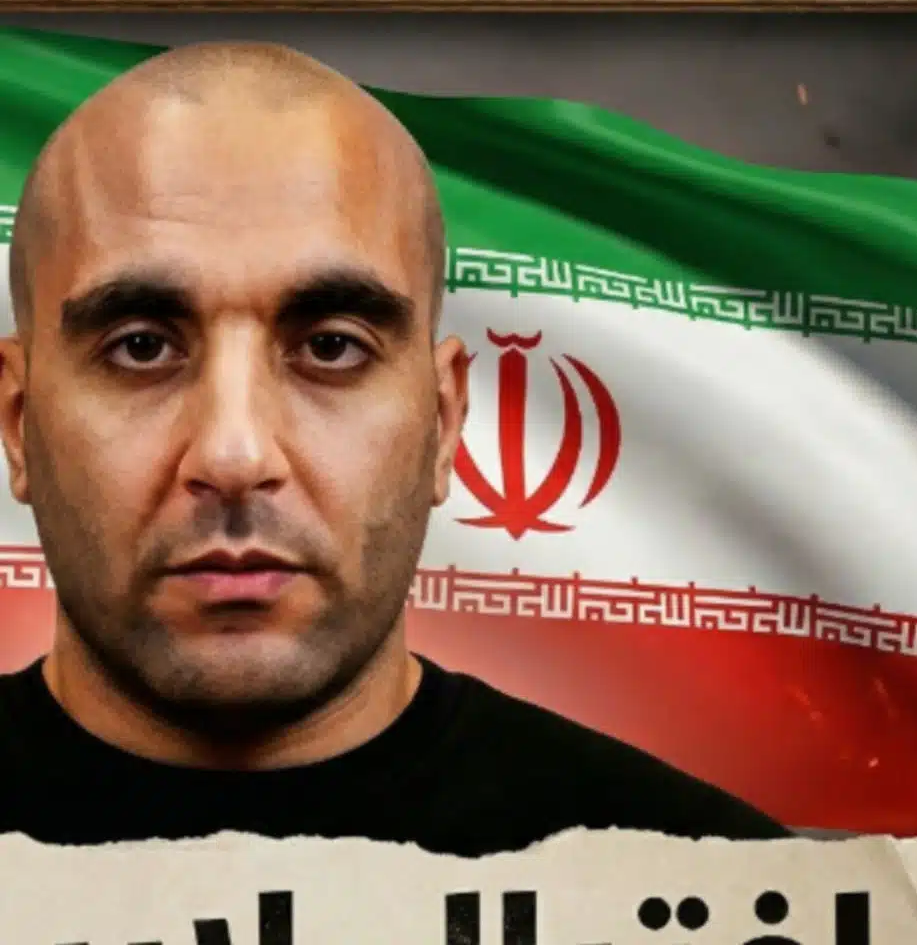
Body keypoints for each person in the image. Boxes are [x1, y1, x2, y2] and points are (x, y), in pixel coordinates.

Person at [0, 42, 788, 853]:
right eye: (140, 348)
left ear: (442, 422)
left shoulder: (723, 894)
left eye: (332, 347)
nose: (235, 456)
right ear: (19, 422)